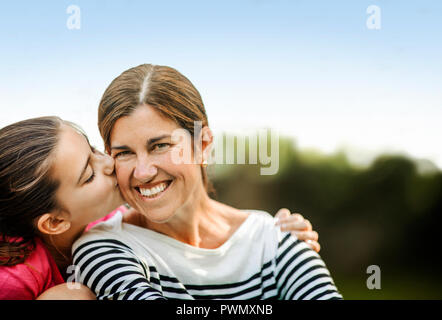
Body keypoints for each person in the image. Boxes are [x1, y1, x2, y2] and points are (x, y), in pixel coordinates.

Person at [71, 64, 342, 300]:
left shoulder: (272, 239)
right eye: (124, 153)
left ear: (202, 144)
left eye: (160, 146)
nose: (142, 172)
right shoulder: (103, 247)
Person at [0, 117, 314, 300]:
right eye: (89, 175)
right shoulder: (15, 277)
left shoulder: (113, 221)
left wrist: (266, 230)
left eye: (95, 150)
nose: (109, 162)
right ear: (54, 222)